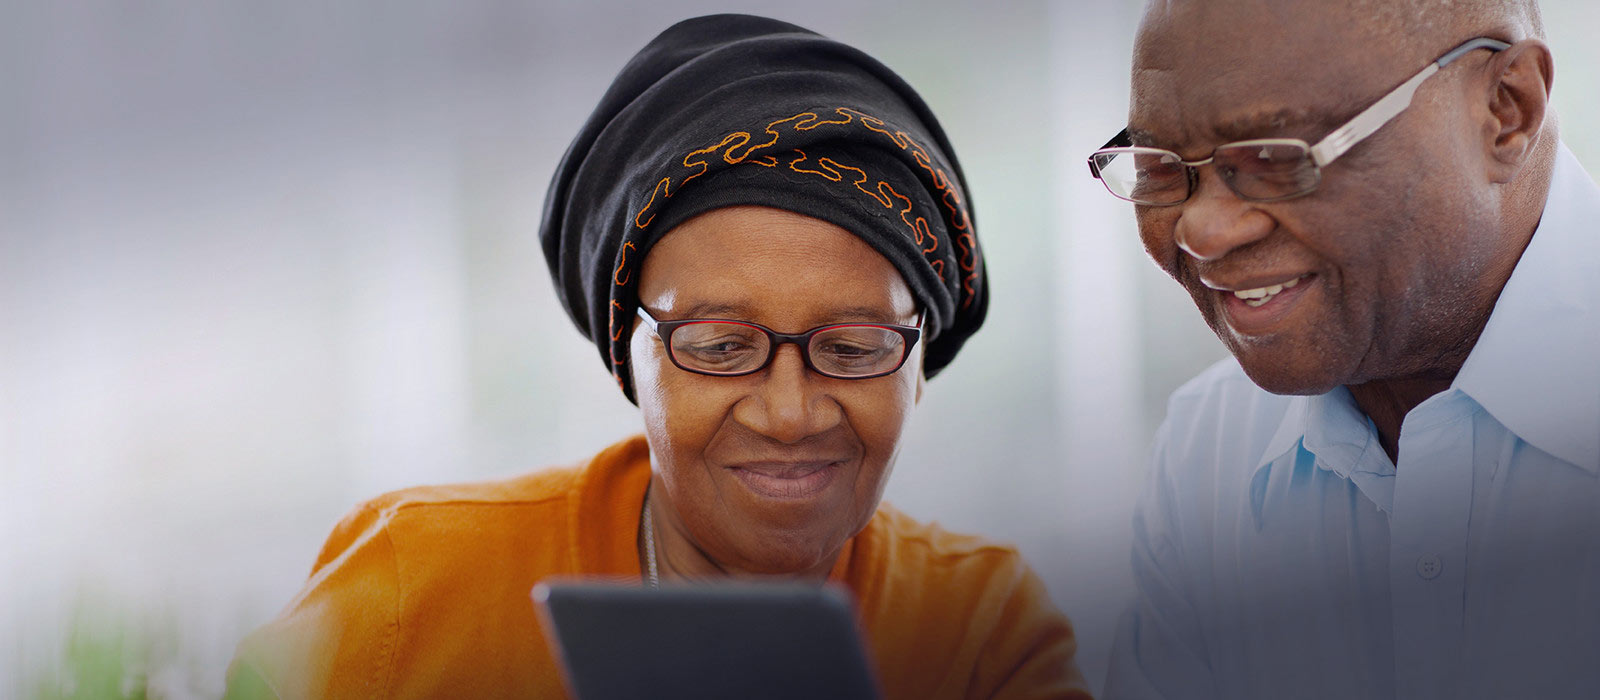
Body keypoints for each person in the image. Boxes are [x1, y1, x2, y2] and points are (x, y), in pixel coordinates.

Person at [226, 14, 1092, 700]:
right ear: (627, 357)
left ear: (917, 362)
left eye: (854, 348)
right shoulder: (414, 587)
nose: (789, 413)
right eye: (719, 346)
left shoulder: (979, 632)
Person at [1086, 1, 1599, 699]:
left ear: (1505, 109)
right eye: (1162, 168)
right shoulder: (1208, 450)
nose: (1202, 232)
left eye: (1275, 158)